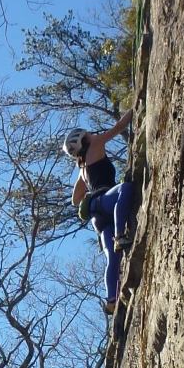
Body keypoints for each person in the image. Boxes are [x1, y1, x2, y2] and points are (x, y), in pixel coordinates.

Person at [63, 110, 133, 315]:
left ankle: (112, 299)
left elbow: (75, 200)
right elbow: (120, 126)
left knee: (113, 258)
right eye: (88, 133)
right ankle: (121, 235)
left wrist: (87, 189)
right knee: (125, 189)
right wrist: (136, 106)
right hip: (106, 202)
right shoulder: (95, 144)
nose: (92, 134)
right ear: (84, 139)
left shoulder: (82, 170)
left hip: (97, 216)